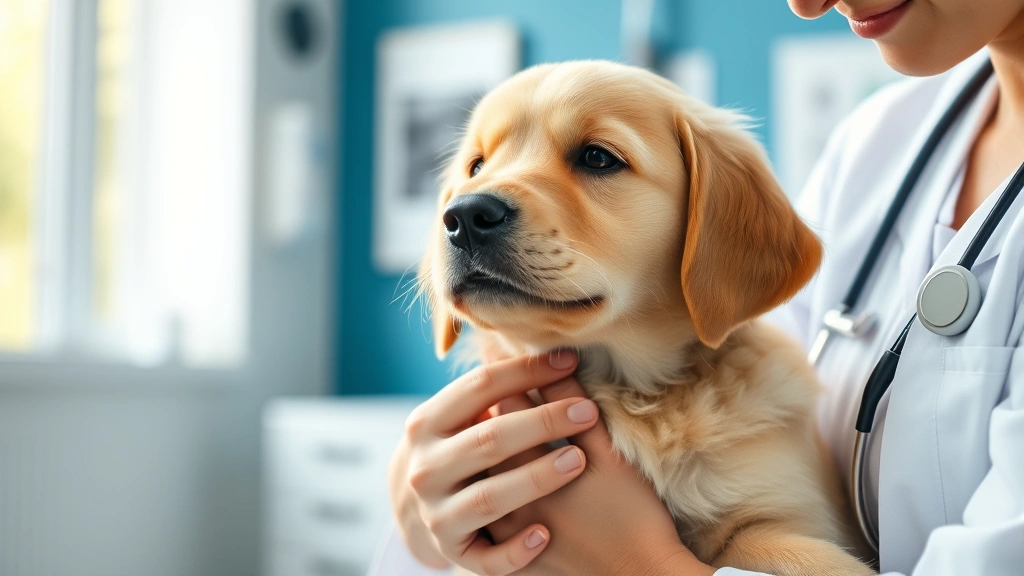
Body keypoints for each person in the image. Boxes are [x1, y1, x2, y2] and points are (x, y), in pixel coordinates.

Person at [385, 1, 1024, 574]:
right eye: (476, 166)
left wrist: (643, 565)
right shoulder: (878, 142)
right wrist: (423, 530)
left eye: (597, 158)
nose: (806, 3)